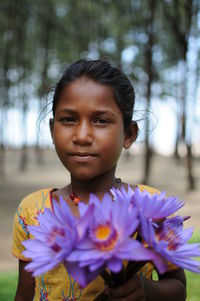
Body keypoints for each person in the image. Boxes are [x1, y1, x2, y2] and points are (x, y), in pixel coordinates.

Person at [12, 59, 186, 301]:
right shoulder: (32, 211)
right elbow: (23, 294)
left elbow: (177, 287)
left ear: (129, 134)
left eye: (101, 121)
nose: (82, 136)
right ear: (52, 131)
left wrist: (146, 290)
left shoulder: (149, 208)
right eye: (69, 119)